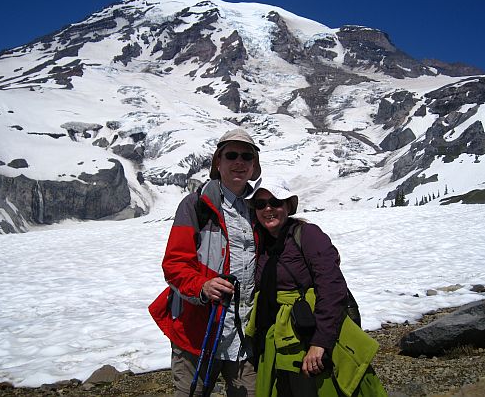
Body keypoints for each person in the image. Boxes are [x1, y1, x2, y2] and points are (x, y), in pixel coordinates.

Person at [245, 177, 387, 397]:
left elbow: (331, 287)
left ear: (289, 205)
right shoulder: (260, 243)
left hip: (307, 332)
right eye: (260, 204)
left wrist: (320, 343)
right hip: (277, 338)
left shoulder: (308, 234)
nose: (268, 208)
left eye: (275, 201)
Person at [149, 128, 261, 397]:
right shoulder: (196, 205)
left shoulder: (261, 208)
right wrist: (202, 286)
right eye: (231, 155)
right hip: (198, 330)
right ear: (217, 163)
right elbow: (174, 263)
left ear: (254, 166)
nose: (239, 162)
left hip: (243, 334)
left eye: (246, 156)